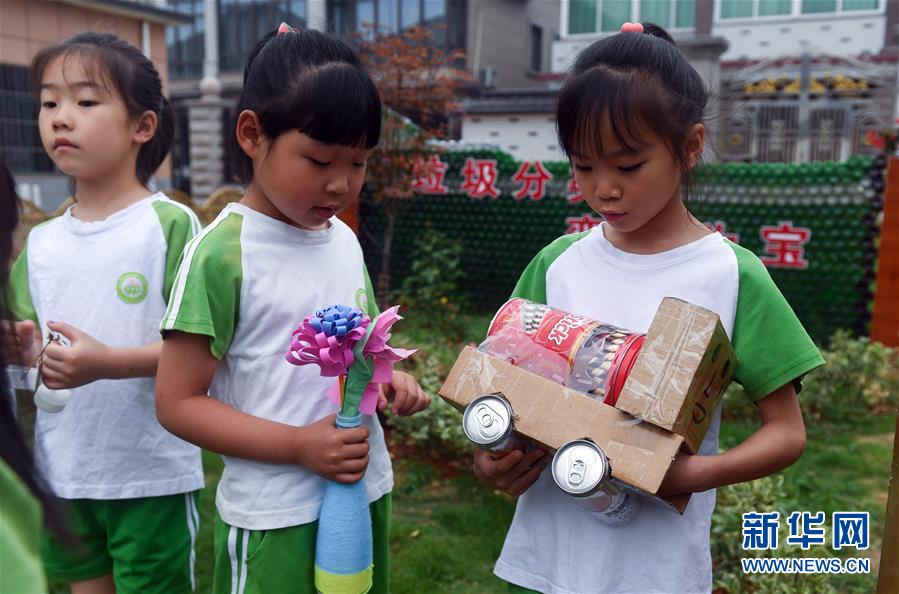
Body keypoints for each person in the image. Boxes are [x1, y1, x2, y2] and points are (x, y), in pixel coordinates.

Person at [473, 22, 823, 594]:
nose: (604, 188)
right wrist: (496, 459)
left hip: (655, 572)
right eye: (583, 166)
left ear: (688, 148)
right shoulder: (558, 263)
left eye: (628, 166)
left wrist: (690, 474)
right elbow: (502, 385)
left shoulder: (730, 275)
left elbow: (786, 433)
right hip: (545, 562)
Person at [154, 26, 430, 594]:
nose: (340, 183)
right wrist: (298, 446)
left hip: (362, 492)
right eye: (319, 159)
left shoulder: (344, 240)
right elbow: (176, 403)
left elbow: (362, 354)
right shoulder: (220, 254)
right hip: (274, 517)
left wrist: (388, 381)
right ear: (253, 134)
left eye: (358, 163)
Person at [4, 33, 204, 594]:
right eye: (49, 103)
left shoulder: (170, 226)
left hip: (148, 475)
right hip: (63, 473)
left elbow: (202, 350)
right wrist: (24, 353)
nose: (61, 118)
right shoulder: (39, 244)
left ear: (142, 126)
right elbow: (32, 354)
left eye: (86, 102)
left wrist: (106, 362)